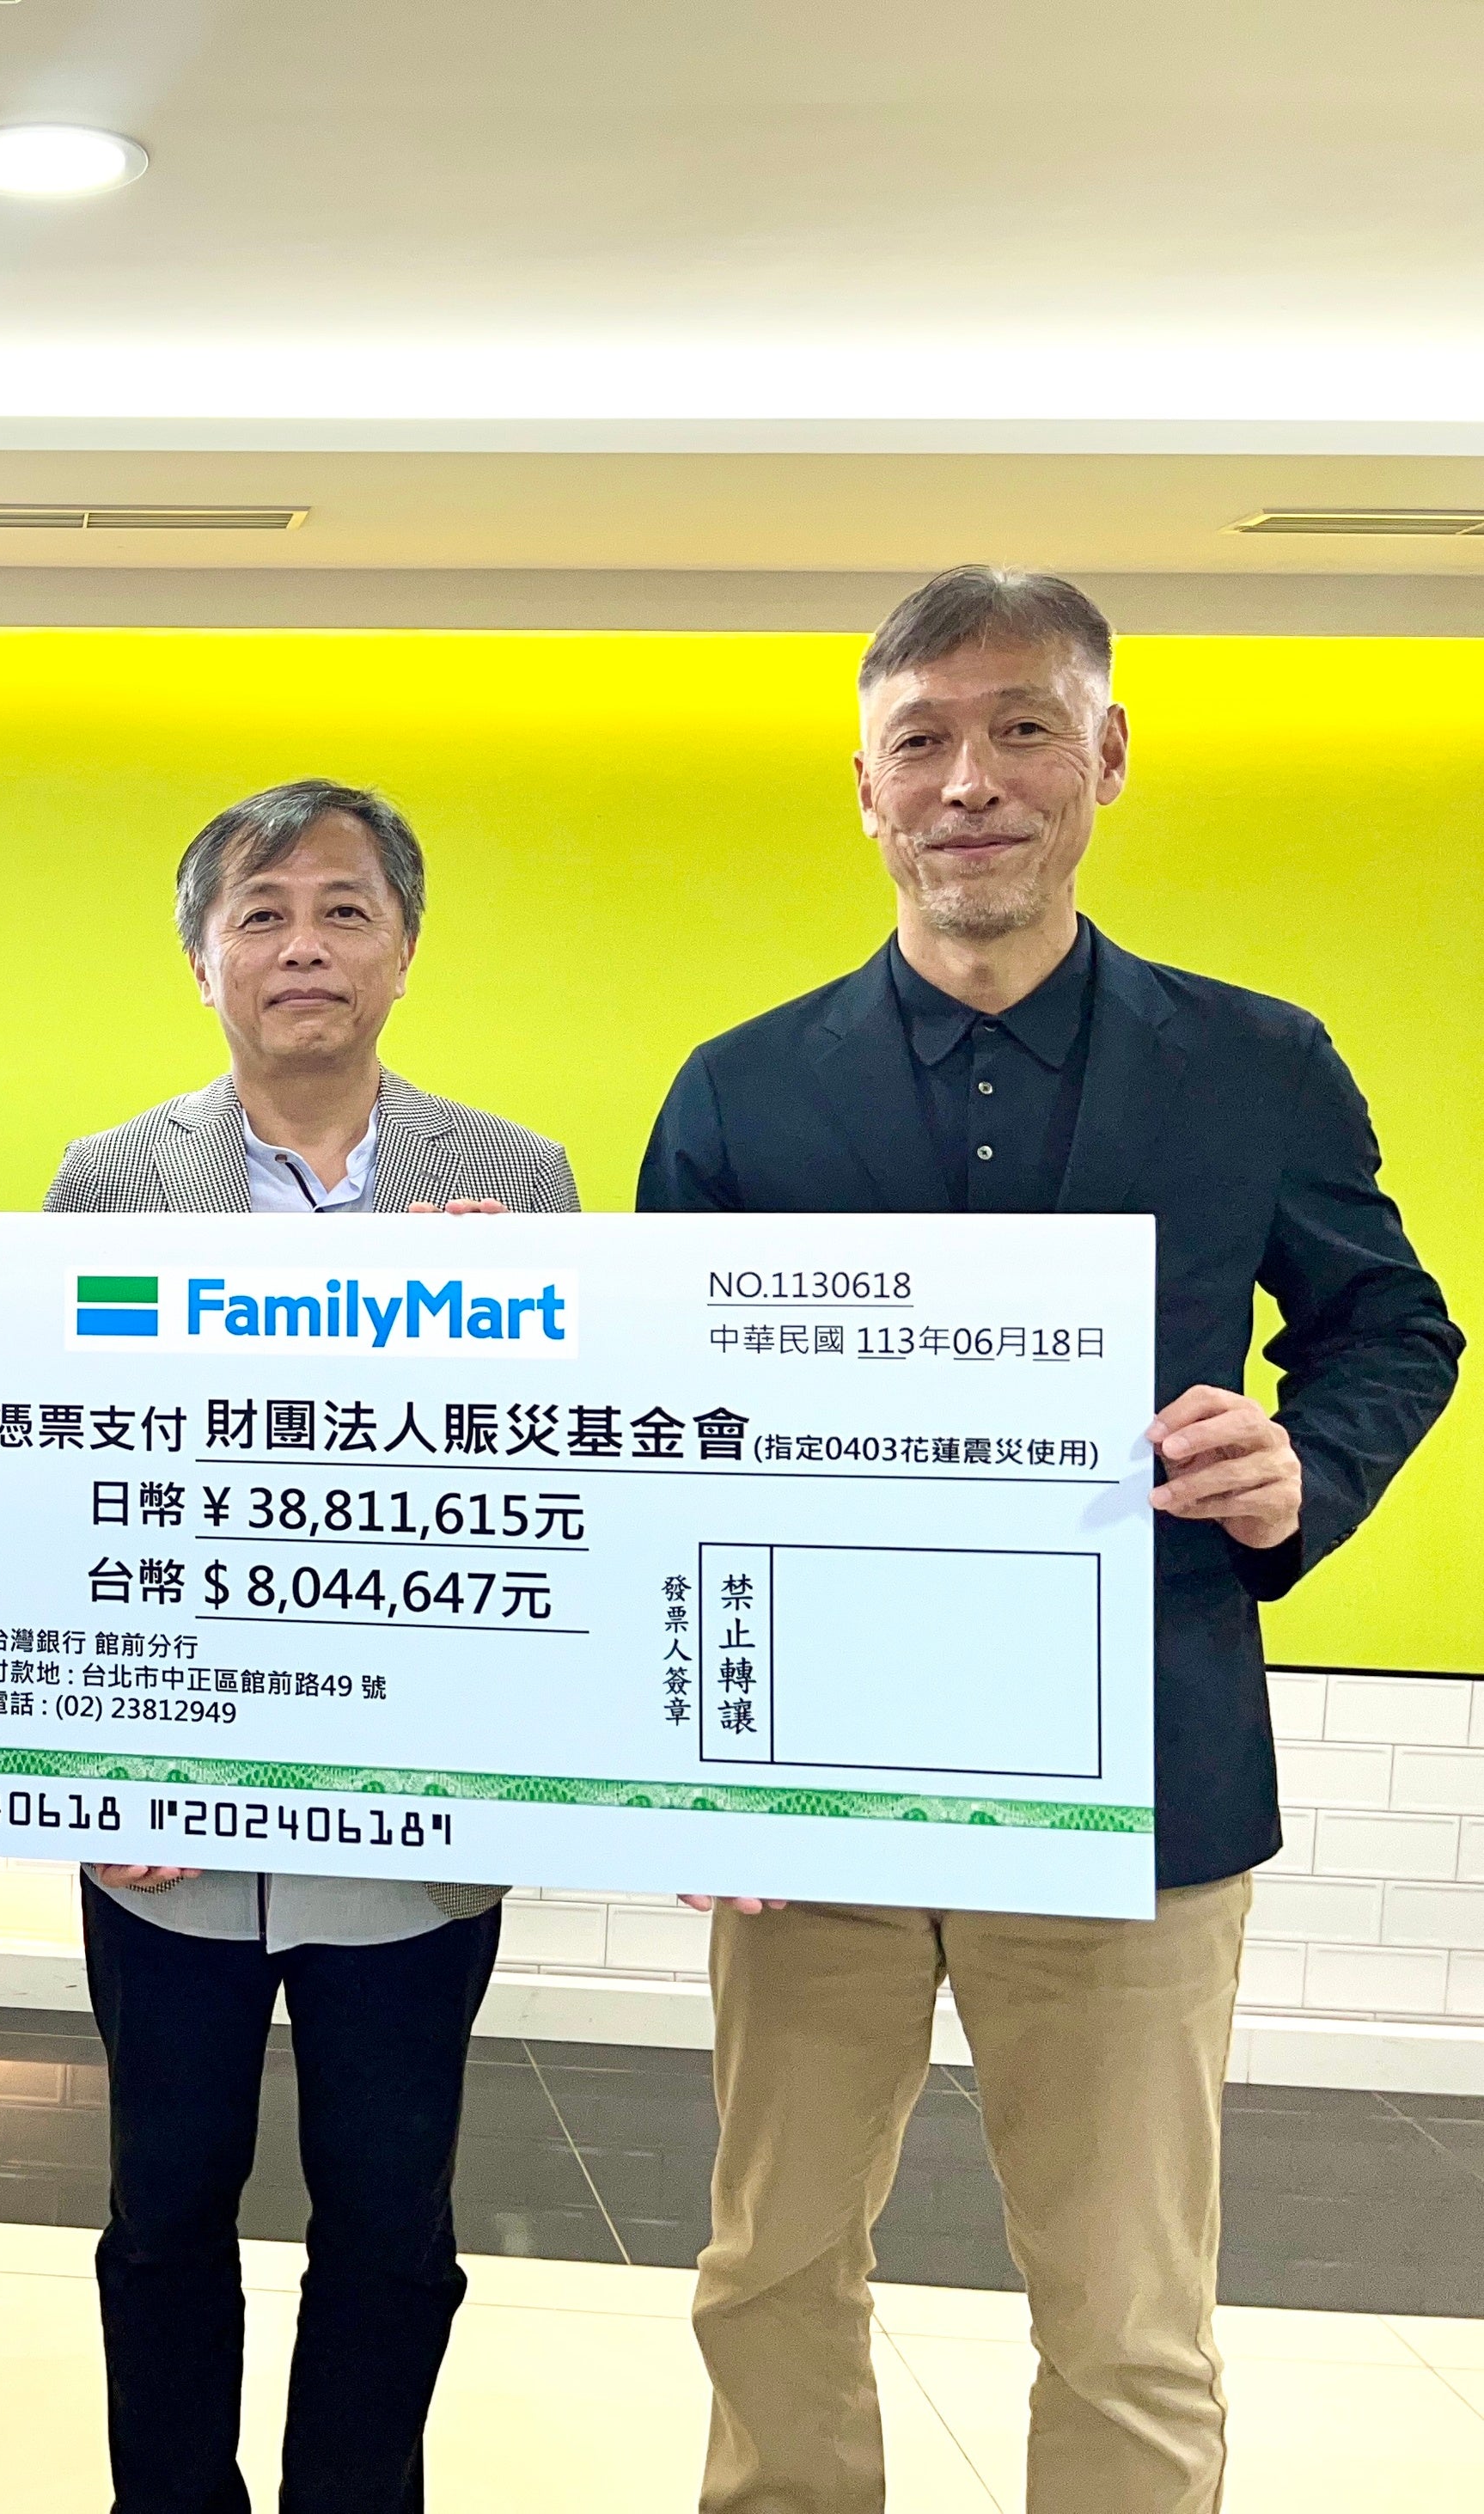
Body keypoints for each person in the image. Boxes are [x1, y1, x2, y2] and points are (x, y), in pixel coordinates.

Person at [639, 566, 1461, 2514]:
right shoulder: (741, 1089)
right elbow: (663, 1434)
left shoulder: (1255, 1063)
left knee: (1127, 2314)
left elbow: (1393, 1326)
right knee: (767, 2276)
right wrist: (678, 1764)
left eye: (1021, 729)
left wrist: (1303, 1464)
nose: (970, 781)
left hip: (1138, 1775)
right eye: (920, 740)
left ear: (1107, 755)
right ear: (865, 785)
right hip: (814, 1791)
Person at [45, 779, 577, 2514]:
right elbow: (65, 1488)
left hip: (413, 1831)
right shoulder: (111, 1183)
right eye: (261, 913)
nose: (303, 947)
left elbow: (569, 1489)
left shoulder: (514, 1182)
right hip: (170, 1828)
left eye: (345, 909)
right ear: (202, 959)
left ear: (403, 950)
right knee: (163, 2211)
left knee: (393, 2221)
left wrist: (512, 1332)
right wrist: (88, 1775)